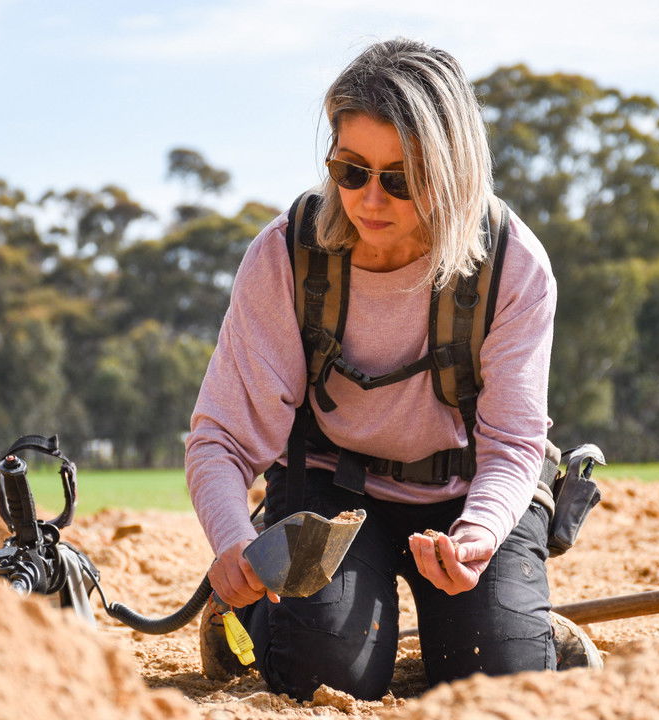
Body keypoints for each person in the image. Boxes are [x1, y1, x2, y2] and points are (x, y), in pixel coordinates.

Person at [185, 37, 557, 700]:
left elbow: (514, 444)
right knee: (328, 675)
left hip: (469, 492)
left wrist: (478, 534)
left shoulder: (513, 265)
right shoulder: (285, 256)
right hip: (333, 490)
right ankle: (249, 620)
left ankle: (524, 632)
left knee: (503, 677)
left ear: (453, 171)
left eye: (401, 179)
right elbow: (220, 438)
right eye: (351, 171)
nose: (370, 200)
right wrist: (235, 544)